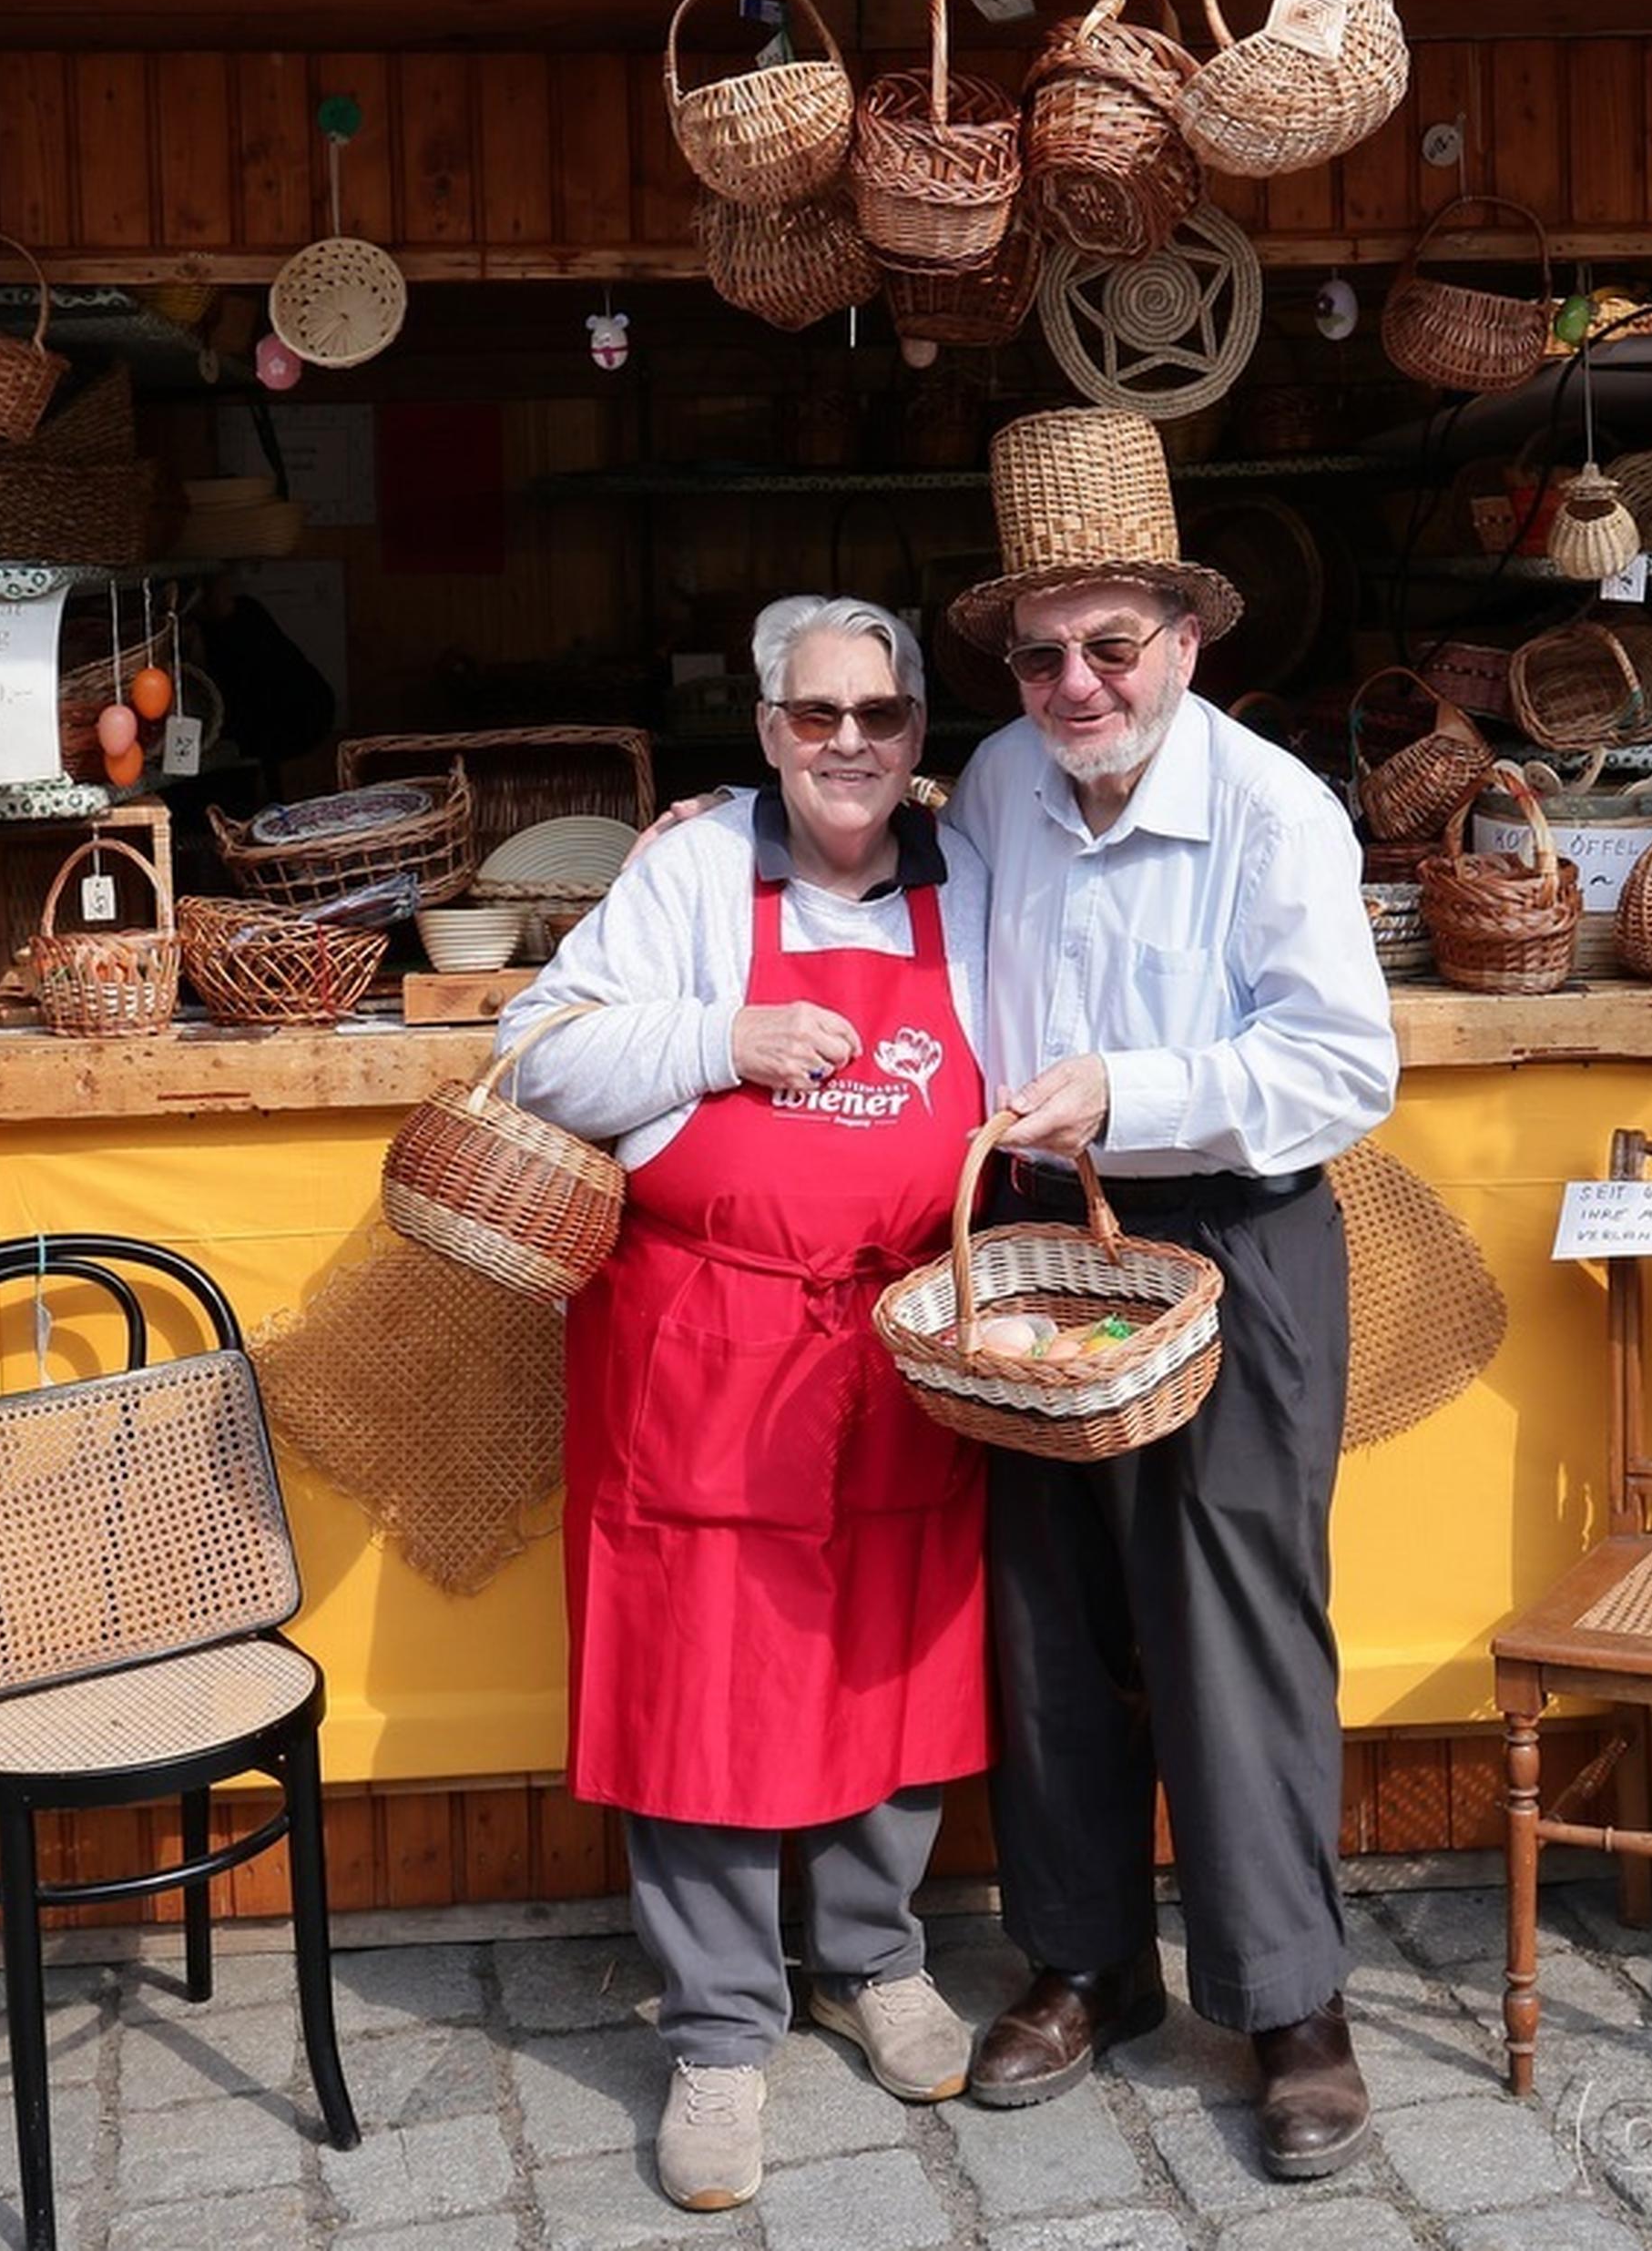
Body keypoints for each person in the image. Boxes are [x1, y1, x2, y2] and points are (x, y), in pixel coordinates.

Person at [939, 406, 1399, 2178]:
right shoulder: (992, 785)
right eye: (1040, 653)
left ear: (1185, 642)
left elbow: (1343, 1071)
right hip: (1049, 1248)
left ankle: (1291, 2003)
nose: (1073, 682)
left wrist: (1135, 1090)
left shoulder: (1276, 811)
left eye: (1109, 646)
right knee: (1049, 1609)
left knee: (1232, 1622)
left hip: (1237, 1239)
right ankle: (1082, 1963)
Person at [496, 596, 993, 2215]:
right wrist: (721, 1035)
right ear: (767, 729)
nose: (849, 742)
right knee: (703, 1669)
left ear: (922, 735)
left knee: (892, 1650)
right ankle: (719, 2028)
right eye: (814, 714)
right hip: (709, 1341)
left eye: (882, 714)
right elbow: (536, 1052)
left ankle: (875, 1956)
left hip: (904, 1342)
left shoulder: (972, 880)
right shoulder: (696, 871)